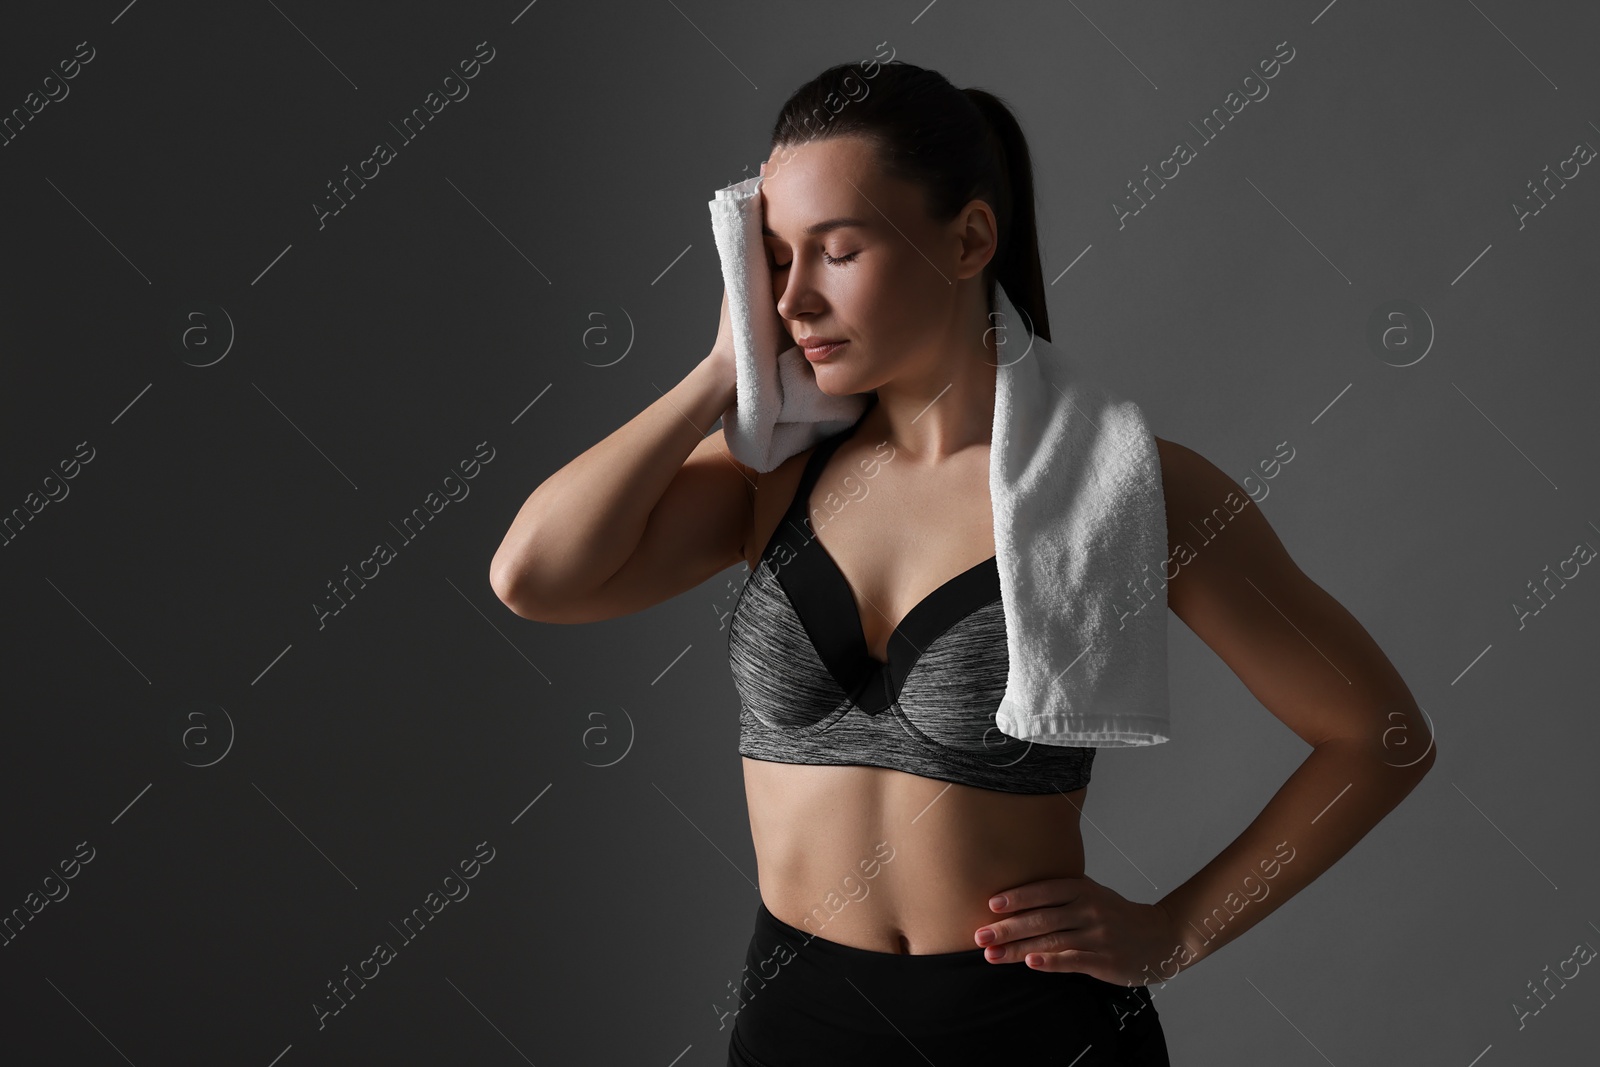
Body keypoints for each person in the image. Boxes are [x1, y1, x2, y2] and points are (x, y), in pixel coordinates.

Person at [489, 60, 1436, 1067]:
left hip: (1031, 1034)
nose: (796, 297)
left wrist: (1178, 928)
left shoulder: (1124, 487)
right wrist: (717, 374)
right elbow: (533, 577)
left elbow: (1378, 736)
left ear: (970, 238)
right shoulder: (772, 476)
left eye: (836, 251)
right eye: (772, 260)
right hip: (799, 1024)